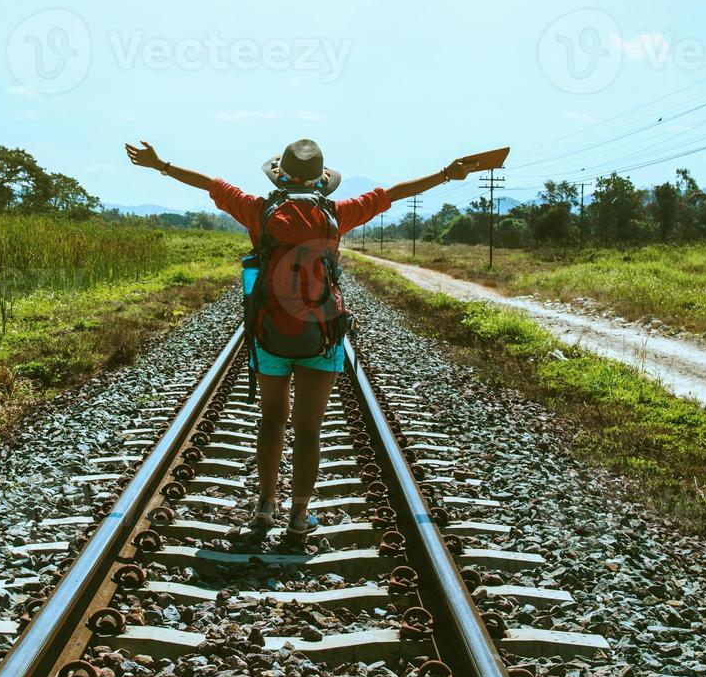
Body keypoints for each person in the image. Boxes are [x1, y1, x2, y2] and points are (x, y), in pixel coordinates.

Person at [124, 138, 477, 544]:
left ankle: (264, 507)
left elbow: (209, 183)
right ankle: (299, 516)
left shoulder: (259, 210)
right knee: (309, 429)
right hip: (323, 335)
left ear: (280, 176)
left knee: (272, 421)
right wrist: (448, 173)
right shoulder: (336, 213)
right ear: (321, 181)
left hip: (269, 334)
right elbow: (394, 193)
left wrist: (160, 164)